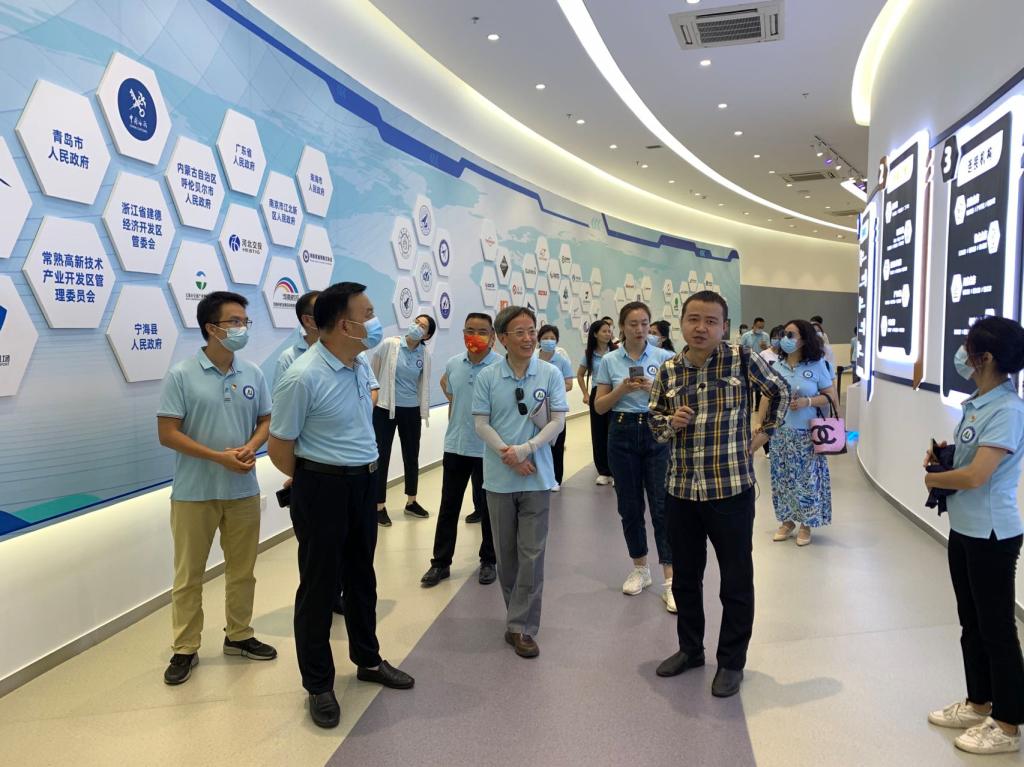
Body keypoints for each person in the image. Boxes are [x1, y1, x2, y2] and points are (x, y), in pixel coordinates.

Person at [269, 282, 414, 729]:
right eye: (367, 314)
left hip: (363, 484)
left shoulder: (358, 364)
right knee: (319, 587)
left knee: (361, 577)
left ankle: (367, 659)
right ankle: (318, 684)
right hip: (322, 488)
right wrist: (315, 477)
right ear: (343, 324)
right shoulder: (302, 376)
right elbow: (280, 447)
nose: (375, 322)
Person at [648, 290, 789, 698]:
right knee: (685, 579)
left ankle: (731, 662)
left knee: (736, 581)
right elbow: (654, 424)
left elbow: (779, 391)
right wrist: (671, 423)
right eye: (694, 319)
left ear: (724, 327)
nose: (701, 328)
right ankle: (690, 650)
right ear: (681, 322)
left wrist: (764, 434)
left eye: (711, 321)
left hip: (730, 490)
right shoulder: (668, 370)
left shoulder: (742, 359)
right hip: (681, 491)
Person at [156, 291, 276, 686]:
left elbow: (265, 420)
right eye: (234, 322)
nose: (242, 328)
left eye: (245, 321)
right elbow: (167, 433)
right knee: (188, 576)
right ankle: (185, 648)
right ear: (211, 328)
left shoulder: (253, 373)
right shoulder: (182, 374)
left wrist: (252, 445)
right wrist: (216, 457)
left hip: (243, 490)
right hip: (194, 493)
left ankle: (239, 635)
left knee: (242, 571)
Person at [924, 316, 1024, 756]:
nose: (961, 356)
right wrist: (945, 456)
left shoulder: (1008, 409)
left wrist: (934, 479)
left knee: (996, 628)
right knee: (972, 623)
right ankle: (979, 702)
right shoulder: (980, 402)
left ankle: (1007, 725)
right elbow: (972, 458)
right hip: (965, 528)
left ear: (985, 358)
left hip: (991, 533)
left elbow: (978, 476)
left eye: (967, 349)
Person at [472, 306, 568, 658]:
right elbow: (481, 423)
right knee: (507, 557)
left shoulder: (549, 373)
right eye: (520, 332)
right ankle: (516, 616)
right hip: (499, 479)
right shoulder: (488, 376)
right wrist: (508, 454)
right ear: (502, 338)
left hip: (537, 477)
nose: (529, 339)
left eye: (532, 331)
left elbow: (557, 420)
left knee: (533, 554)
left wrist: (526, 450)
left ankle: (522, 626)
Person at [594, 302, 676, 612]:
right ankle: (640, 568)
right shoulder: (610, 360)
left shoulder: (665, 358)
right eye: (633, 324)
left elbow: (676, 401)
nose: (640, 329)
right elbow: (600, 406)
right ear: (622, 327)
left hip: (656, 430)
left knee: (662, 506)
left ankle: (671, 579)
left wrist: (654, 388)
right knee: (629, 505)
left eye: (644, 323)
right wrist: (623, 390)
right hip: (621, 430)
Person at [420, 312, 502, 588]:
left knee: (489, 508)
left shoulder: (501, 367)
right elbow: (449, 387)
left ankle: (489, 560)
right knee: (448, 506)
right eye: (469, 330)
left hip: (488, 449)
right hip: (456, 445)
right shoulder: (454, 364)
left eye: (482, 331)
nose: (475, 336)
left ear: (492, 336)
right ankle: (440, 563)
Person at [762, 320, 838, 547]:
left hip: (807, 435)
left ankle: (806, 523)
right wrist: (759, 421)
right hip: (781, 433)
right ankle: (786, 521)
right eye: (784, 334)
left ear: (804, 339)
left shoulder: (817, 365)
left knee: (807, 481)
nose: (785, 339)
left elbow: (830, 396)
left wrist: (808, 401)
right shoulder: (777, 366)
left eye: (791, 335)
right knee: (781, 479)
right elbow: (767, 395)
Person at [371, 313, 436, 526]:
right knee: (382, 456)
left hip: (411, 410)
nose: (417, 326)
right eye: (416, 322)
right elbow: (374, 372)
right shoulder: (390, 344)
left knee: (411, 455)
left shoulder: (424, 355)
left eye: (422, 326)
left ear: (427, 335)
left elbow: (422, 384)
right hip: (385, 408)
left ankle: (411, 502)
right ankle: (379, 506)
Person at [577, 318, 615, 486]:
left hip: (615, 393)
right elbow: (580, 374)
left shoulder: (616, 352)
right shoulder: (589, 354)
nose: (608, 334)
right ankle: (604, 471)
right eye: (604, 331)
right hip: (597, 394)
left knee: (614, 432)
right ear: (595, 334)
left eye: (609, 331)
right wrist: (585, 394)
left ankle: (616, 470)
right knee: (599, 432)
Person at [537, 324, 574, 491]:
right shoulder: (532, 359)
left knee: (557, 445)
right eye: (545, 338)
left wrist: (552, 390)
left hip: (555, 409)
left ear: (557, 341)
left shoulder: (562, 361)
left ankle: (555, 479)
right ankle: (539, 478)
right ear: (539, 340)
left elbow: (569, 384)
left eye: (552, 338)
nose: (548, 341)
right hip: (536, 409)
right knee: (538, 444)